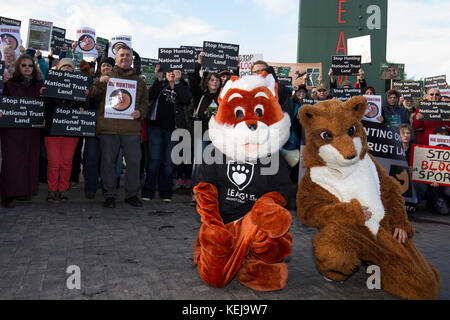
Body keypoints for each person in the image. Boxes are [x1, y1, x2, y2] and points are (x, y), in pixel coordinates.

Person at [90, 44, 149, 208]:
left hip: (131, 129)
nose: (125, 58)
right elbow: (92, 95)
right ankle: (109, 195)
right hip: (109, 128)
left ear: (131, 59)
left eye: (127, 56)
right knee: (108, 162)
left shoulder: (139, 82)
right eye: (121, 55)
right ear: (116, 58)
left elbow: (145, 103)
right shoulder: (106, 76)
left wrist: (140, 112)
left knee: (134, 162)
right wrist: (101, 82)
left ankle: (132, 194)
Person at [141, 66, 192, 202]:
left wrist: (178, 83)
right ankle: (148, 191)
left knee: (168, 162)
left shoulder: (183, 87)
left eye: (174, 72)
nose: (171, 74)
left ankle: (166, 193)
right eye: (169, 71)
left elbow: (186, 100)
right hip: (155, 128)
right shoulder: (161, 85)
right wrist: (158, 79)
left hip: (173, 130)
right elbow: (149, 96)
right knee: (154, 159)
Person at [42, 58, 88, 201]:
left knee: (67, 161)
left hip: (70, 129)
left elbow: (84, 107)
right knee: (54, 162)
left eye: (70, 67)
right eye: (64, 67)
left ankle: (63, 189)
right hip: (52, 129)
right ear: (58, 69)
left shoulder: (79, 88)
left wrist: (84, 102)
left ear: (73, 71)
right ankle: (52, 189)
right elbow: (43, 107)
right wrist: (42, 94)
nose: (67, 69)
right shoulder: (48, 86)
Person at [0, 54, 43, 208]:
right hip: (12, 130)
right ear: (18, 67)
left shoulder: (39, 85)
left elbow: (45, 104)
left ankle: (24, 191)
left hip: (31, 130)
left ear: (34, 67)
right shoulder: (9, 83)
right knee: (12, 162)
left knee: (29, 160)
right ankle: (7, 194)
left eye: (30, 65)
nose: (27, 68)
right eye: (23, 65)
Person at [83, 57, 115, 199]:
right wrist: (100, 83)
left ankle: (106, 188)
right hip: (93, 125)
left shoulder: (119, 82)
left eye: (109, 65)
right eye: (103, 65)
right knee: (91, 157)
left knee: (107, 160)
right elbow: (90, 99)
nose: (106, 68)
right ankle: (90, 188)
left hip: (110, 126)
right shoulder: (93, 80)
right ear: (99, 68)